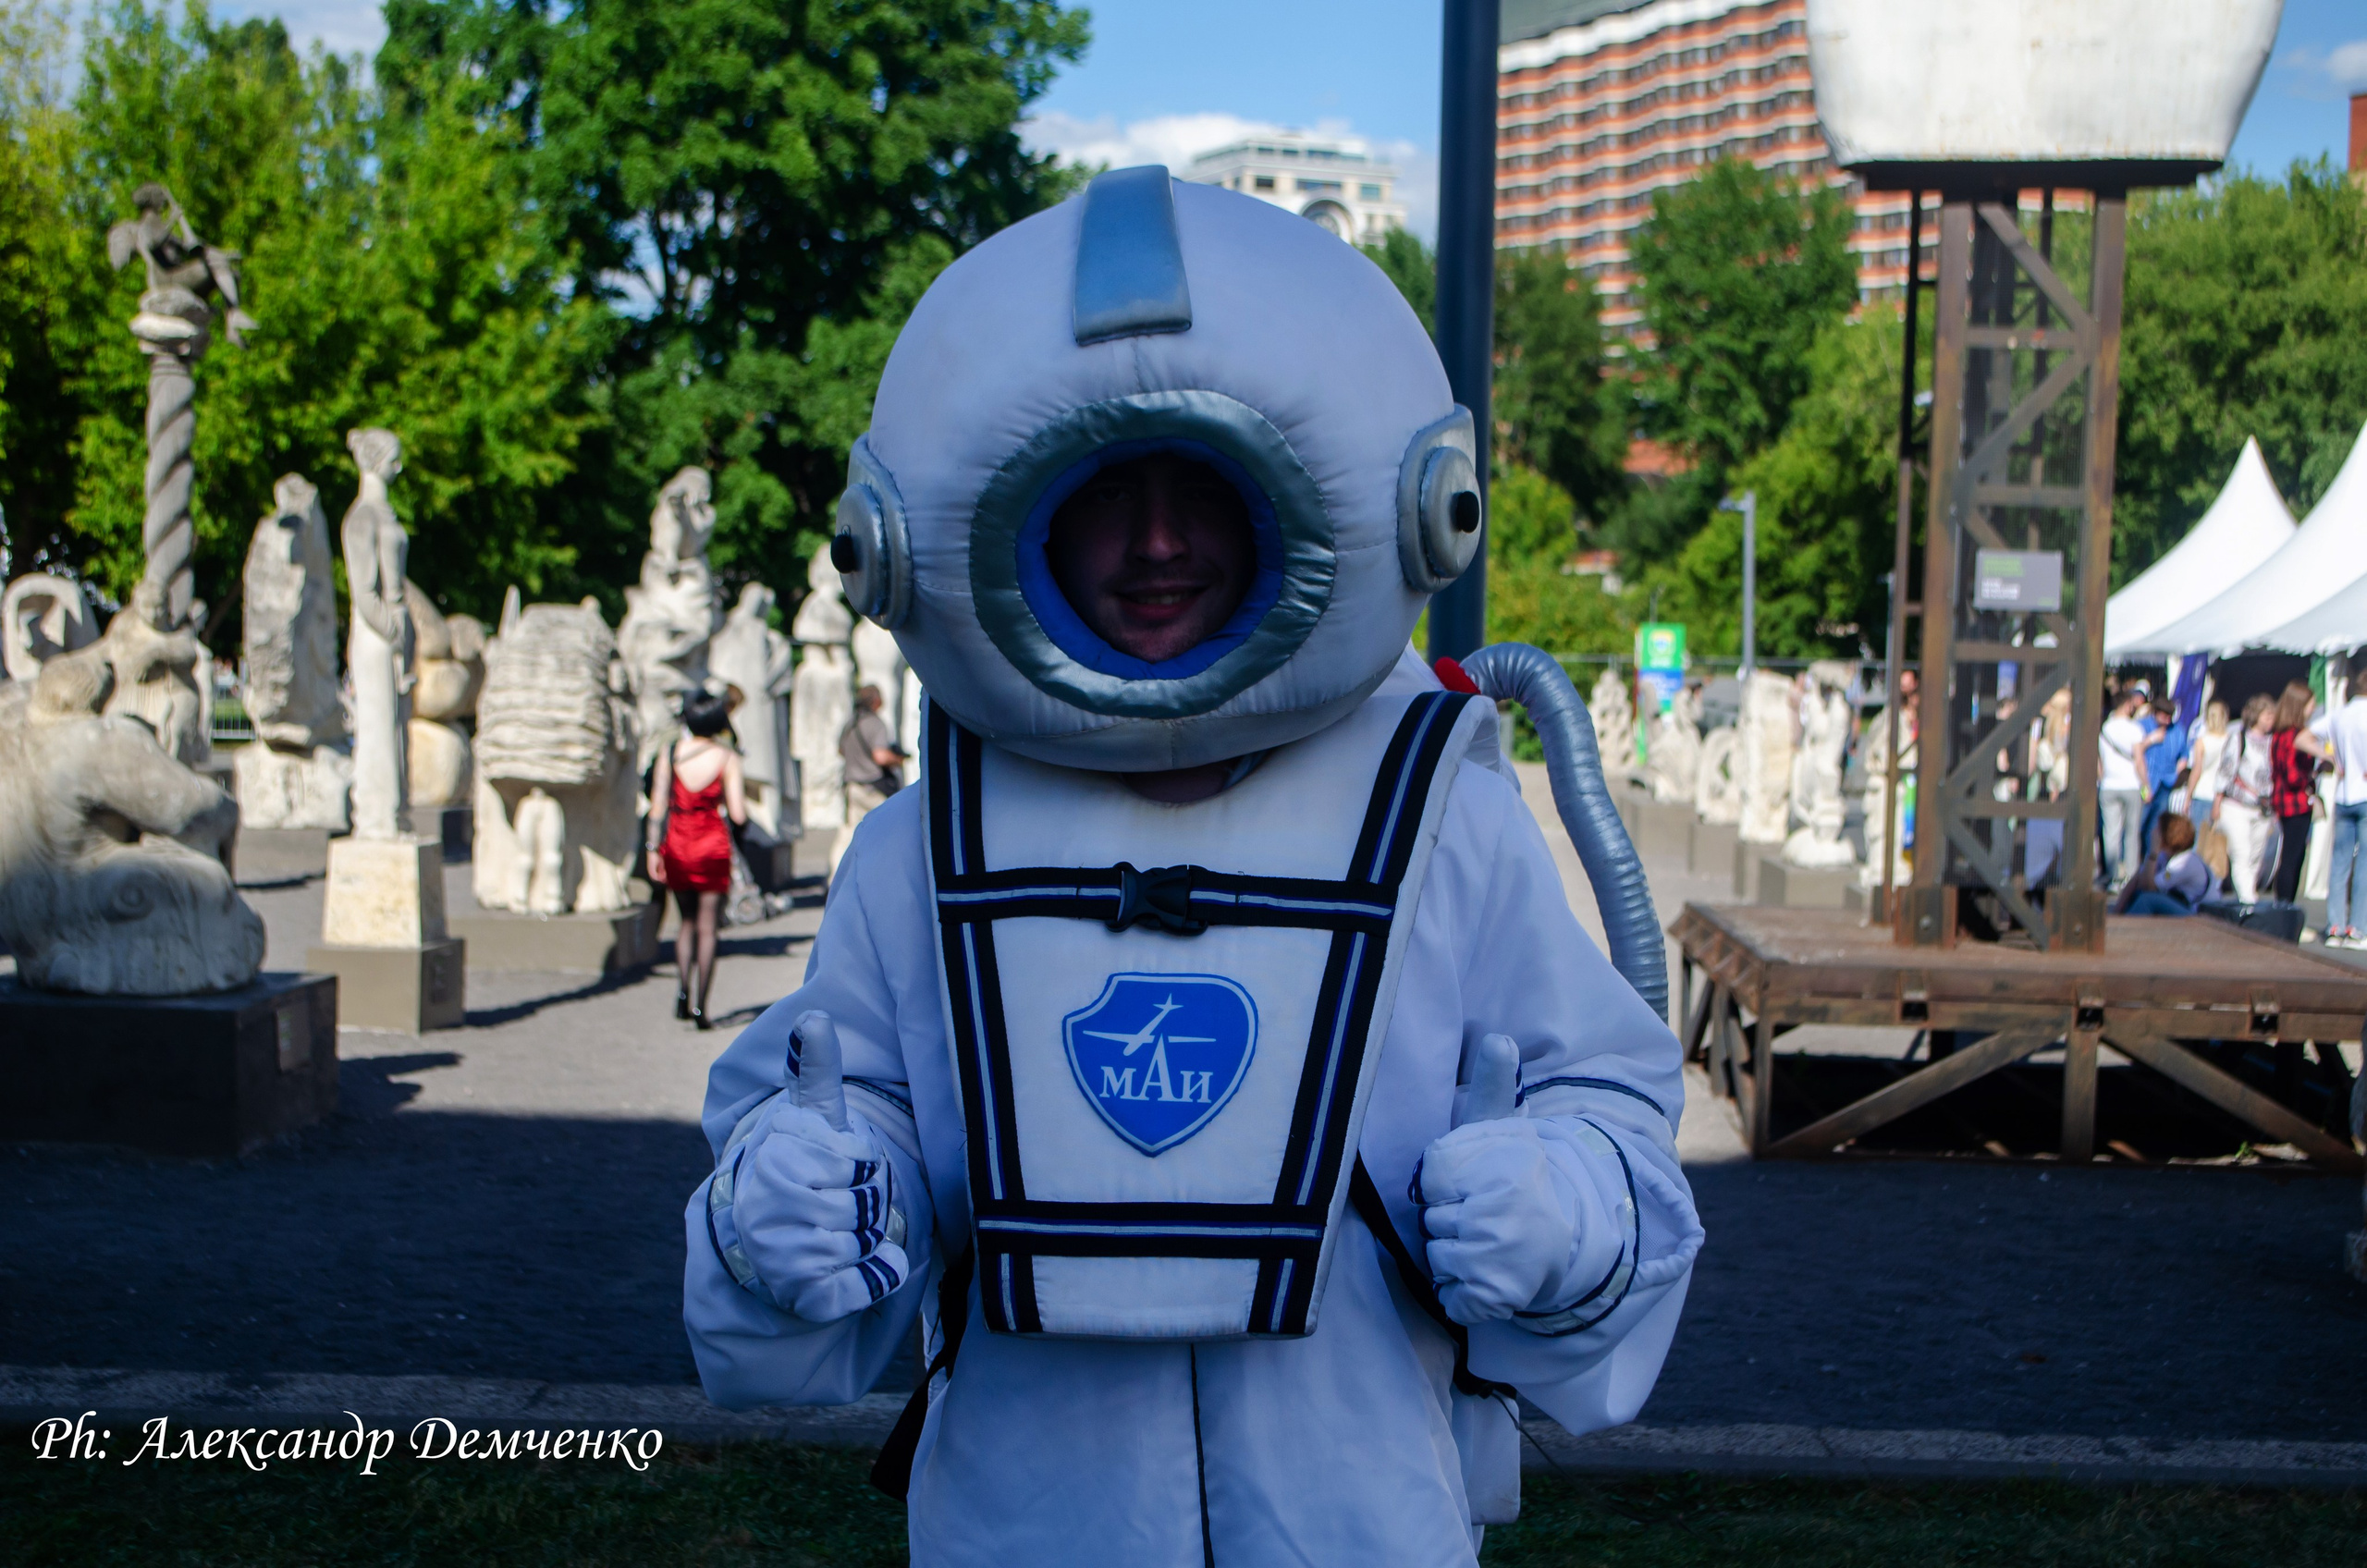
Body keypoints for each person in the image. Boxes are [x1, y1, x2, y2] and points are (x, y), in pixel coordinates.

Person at [681, 170, 1699, 1563]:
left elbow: (1609, 1105)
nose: (1157, 543)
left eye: (1202, 487)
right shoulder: (921, 852)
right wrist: (789, 1205)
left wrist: (1572, 1206)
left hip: (1363, 1518)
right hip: (1024, 1521)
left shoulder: (1445, 822)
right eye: (1106, 489)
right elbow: (822, 1160)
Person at [647, 690, 748, 1029]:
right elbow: (738, 813)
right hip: (711, 844)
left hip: (677, 841)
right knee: (708, 927)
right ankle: (703, 1007)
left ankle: (682, 991)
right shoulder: (727, 757)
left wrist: (652, 851)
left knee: (685, 922)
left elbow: (657, 807)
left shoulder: (671, 752)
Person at [829, 683, 906, 878]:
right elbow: (880, 756)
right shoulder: (875, 723)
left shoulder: (850, 724)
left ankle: (836, 878)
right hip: (874, 787)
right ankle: (885, 876)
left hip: (852, 786)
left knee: (848, 835)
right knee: (887, 833)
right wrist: (898, 759)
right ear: (876, 701)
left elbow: (840, 750)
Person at [2268, 680, 2328, 906]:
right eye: (2311, 704)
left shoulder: (2280, 733)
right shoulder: (2294, 735)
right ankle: (2285, 908)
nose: (2313, 708)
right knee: (2293, 858)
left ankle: (2284, 906)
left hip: (2285, 800)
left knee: (2291, 856)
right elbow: (2293, 776)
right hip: (2296, 802)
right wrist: (2312, 776)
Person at [2214, 693, 2277, 903]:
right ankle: (2248, 901)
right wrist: (2217, 802)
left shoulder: (2273, 742)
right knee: (2241, 852)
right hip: (2237, 805)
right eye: (2267, 715)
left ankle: (2249, 894)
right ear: (2256, 715)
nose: (2271, 720)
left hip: (2263, 808)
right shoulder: (2238, 738)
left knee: (2256, 856)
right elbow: (2225, 771)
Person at [2318, 669, 2367, 947]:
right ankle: (2357, 928)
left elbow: (2304, 736)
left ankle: (2334, 926)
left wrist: (2330, 758)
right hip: (2365, 793)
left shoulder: (2339, 714)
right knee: (2364, 865)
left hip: (2344, 793)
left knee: (2339, 863)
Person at [2097, 682, 2152, 889]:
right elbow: (2139, 760)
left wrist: (2102, 778)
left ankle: (2113, 877)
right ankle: (2130, 877)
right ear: (2128, 705)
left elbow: (2099, 761)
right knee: (2131, 833)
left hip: (2108, 784)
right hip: (2130, 784)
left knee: (2110, 832)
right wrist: (2146, 785)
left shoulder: (2105, 727)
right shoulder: (2134, 728)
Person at [2114, 813, 2211, 917]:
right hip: (2180, 905)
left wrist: (2153, 852)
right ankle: (2118, 921)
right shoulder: (2166, 855)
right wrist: (2117, 911)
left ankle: (2126, 929)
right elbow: (2139, 879)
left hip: (2196, 914)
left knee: (2147, 900)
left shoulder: (2186, 861)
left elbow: (2149, 888)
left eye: (2158, 829)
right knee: (2137, 893)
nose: (2153, 832)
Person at [2136, 697, 2187, 876]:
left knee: (2156, 827)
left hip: (2165, 784)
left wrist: (2178, 771)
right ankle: (2134, 865)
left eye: (2170, 716)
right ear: (2155, 712)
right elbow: (2135, 752)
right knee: (2139, 824)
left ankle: (2151, 864)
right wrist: (2150, 740)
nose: (2167, 720)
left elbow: (2184, 754)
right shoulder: (2141, 726)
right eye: (2164, 715)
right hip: (2144, 783)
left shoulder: (2177, 731)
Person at [2185, 699, 2231, 829]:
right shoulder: (2230, 740)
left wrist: (2188, 796)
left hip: (2203, 792)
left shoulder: (2202, 742)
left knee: (2199, 839)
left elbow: (2197, 770)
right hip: (2223, 795)